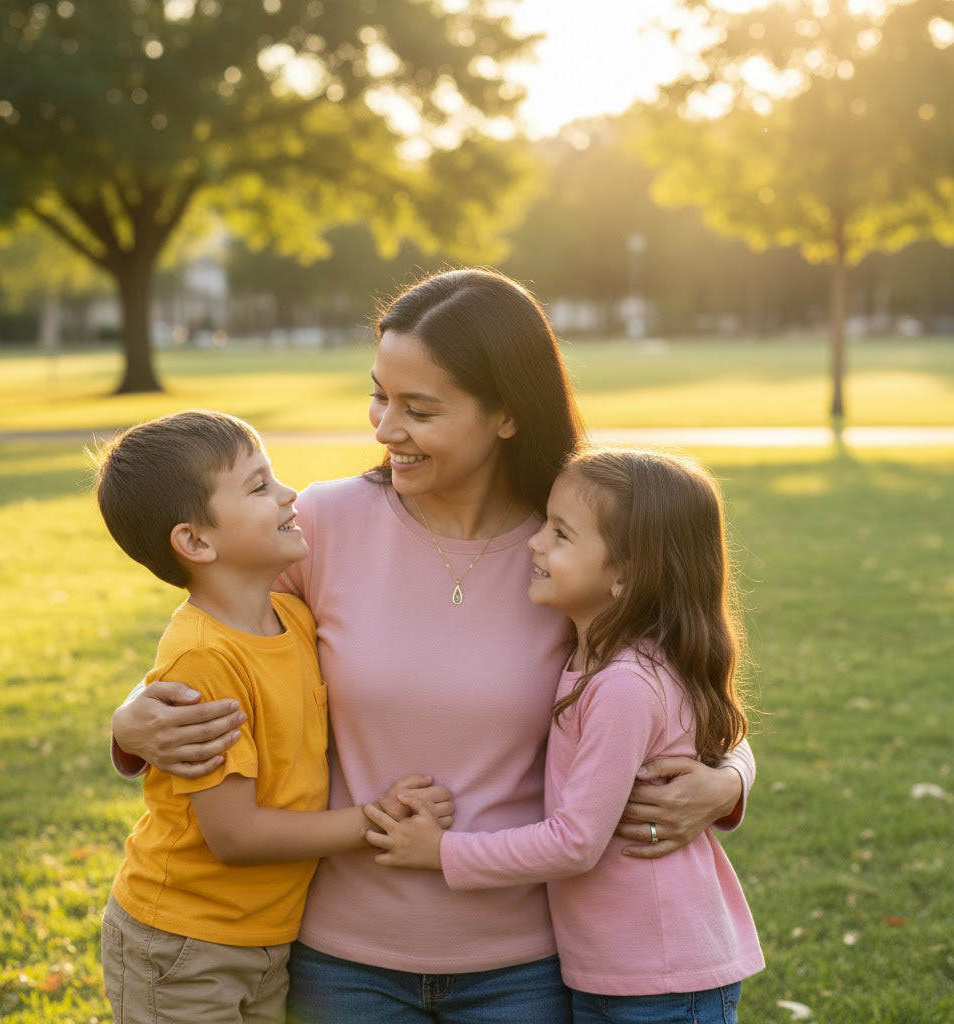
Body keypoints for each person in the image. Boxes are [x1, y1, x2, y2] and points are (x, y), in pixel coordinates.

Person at [110, 270, 756, 1024]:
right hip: (341, 960)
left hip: (525, 966)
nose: (385, 428)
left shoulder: (574, 552)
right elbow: (218, 647)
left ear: (506, 414)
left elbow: (684, 689)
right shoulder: (322, 524)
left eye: (419, 409)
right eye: (379, 395)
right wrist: (128, 724)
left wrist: (730, 779)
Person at [363, 448, 764, 1023]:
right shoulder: (602, 658)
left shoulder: (624, 683)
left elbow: (577, 841)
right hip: (616, 972)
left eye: (561, 534)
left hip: (660, 979)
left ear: (626, 573)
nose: (535, 542)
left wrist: (441, 852)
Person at [93, 410, 453, 1024]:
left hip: (263, 936)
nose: (290, 495)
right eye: (259, 486)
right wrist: (374, 822)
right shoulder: (204, 658)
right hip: (181, 941)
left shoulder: (294, 620)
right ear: (197, 542)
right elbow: (237, 836)